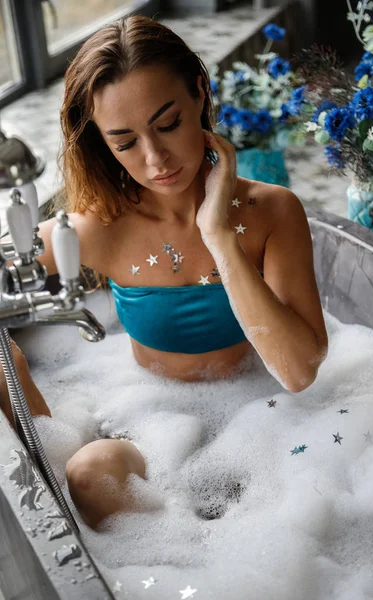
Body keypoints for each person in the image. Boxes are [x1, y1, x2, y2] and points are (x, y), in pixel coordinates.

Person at [0, 15, 328, 528]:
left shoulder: (272, 212)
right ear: (101, 144)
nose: (155, 159)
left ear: (199, 92)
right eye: (125, 142)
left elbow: (298, 372)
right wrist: (21, 381)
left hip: (268, 424)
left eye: (168, 123)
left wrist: (219, 236)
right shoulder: (96, 228)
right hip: (150, 429)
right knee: (89, 473)